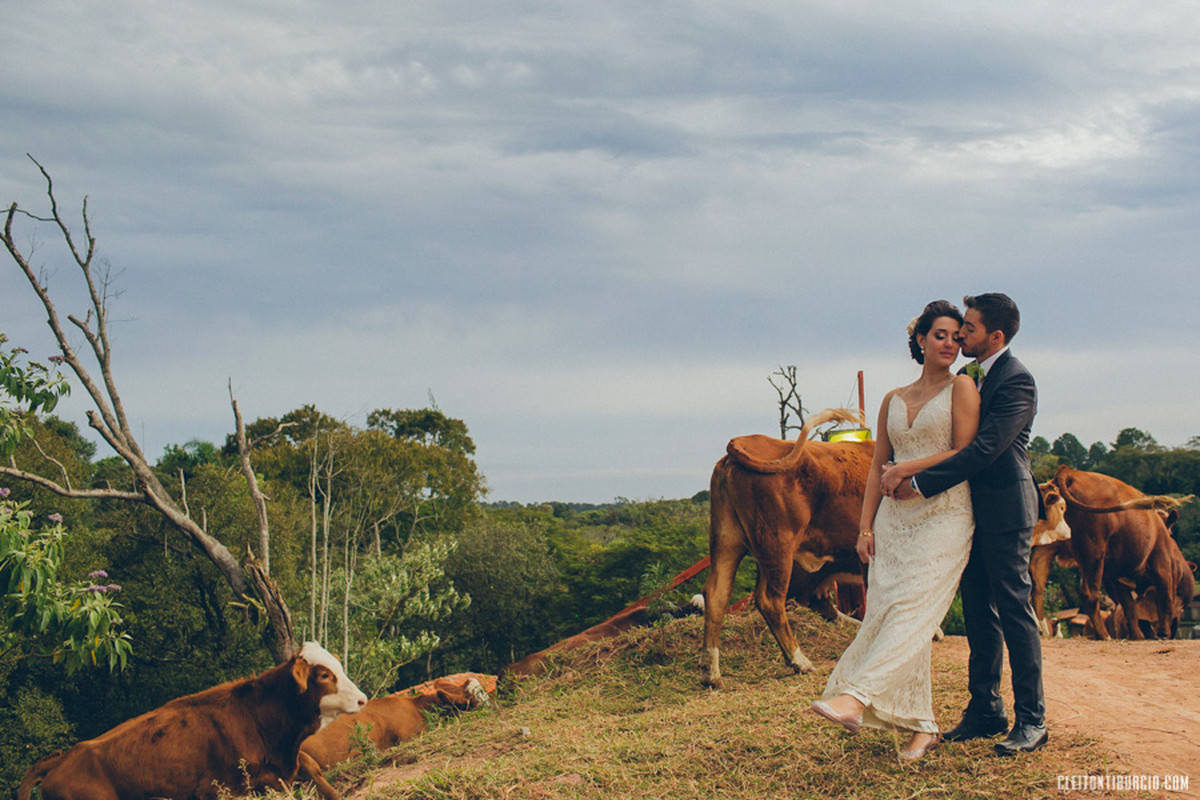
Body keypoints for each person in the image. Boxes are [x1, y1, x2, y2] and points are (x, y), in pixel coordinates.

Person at [810, 299, 979, 760]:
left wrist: (907, 468)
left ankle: (856, 696)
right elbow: (876, 468)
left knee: (914, 610)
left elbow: (965, 452)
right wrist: (865, 528)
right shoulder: (893, 398)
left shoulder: (963, 388)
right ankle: (922, 727)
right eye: (940, 335)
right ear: (920, 340)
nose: (950, 343)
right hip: (893, 520)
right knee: (889, 610)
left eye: (956, 337)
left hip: (946, 514)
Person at [882, 292, 1047, 757]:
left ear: (995, 336)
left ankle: (1032, 720)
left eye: (969, 329)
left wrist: (918, 481)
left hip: (1007, 507)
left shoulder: (1016, 380)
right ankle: (985, 710)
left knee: (1014, 609)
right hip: (969, 511)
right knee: (978, 612)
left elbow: (983, 450)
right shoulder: (972, 378)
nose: (961, 336)